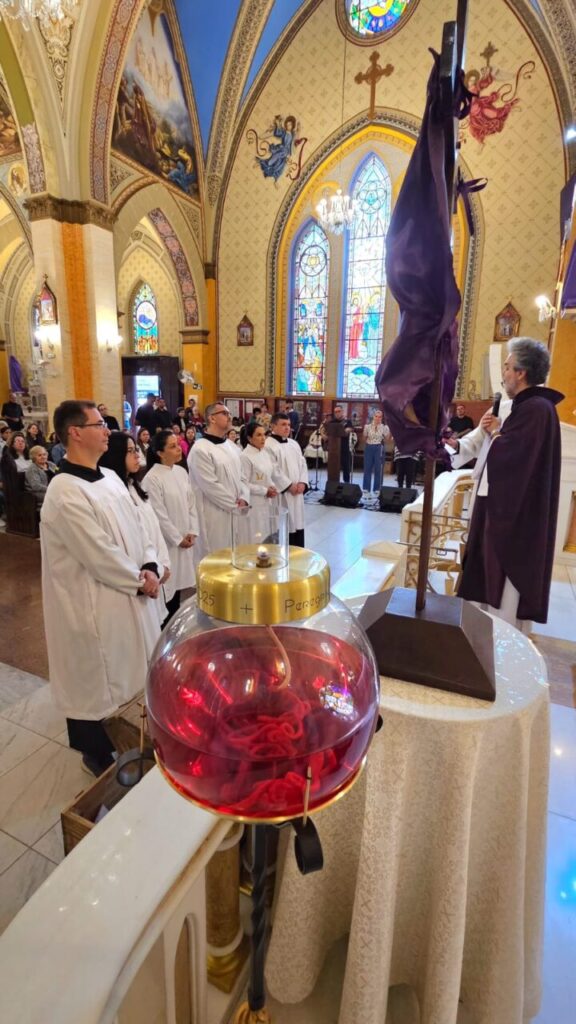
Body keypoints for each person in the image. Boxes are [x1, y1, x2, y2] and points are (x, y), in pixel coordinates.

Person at [40, 400, 161, 776]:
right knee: (96, 681)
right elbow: (97, 552)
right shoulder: (63, 492)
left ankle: (137, 736)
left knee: (133, 670)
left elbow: (139, 529)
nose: (107, 430)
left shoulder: (108, 478)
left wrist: (151, 564)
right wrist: (138, 581)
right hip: (92, 604)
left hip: (131, 592)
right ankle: (97, 753)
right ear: (74, 432)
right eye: (98, 424)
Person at [457, 337, 563, 628]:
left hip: (514, 516)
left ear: (521, 372)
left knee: (502, 584)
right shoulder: (527, 407)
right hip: (501, 504)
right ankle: (483, 631)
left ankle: (500, 636)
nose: (503, 373)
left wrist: (497, 435)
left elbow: (514, 457)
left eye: (507, 367)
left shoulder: (537, 409)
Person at [99, 432, 171, 628]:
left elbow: (153, 530)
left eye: (136, 450)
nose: (137, 455)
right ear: (115, 455)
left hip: (154, 565)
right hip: (142, 574)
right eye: (130, 451)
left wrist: (162, 563)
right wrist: (153, 568)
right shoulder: (115, 493)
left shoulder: (134, 486)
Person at [143, 429, 199, 622]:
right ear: (159, 452)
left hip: (185, 538)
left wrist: (192, 531)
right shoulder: (152, 478)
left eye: (178, 445)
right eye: (172, 446)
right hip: (168, 544)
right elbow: (159, 515)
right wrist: (177, 538)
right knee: (169, 589)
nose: (179, 450)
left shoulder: (181, 472)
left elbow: (191, 503)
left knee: (182, 587)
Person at [187, 402, 250, 559]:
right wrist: (234, 504)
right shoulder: (200, 449)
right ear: (212, 419)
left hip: (237, 509)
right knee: (217, 557)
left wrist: (244, 497)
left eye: (229, 413)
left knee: (236, 553)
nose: (230, 417)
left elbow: (243, 476)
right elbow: (210, 486)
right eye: (225, 413)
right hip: (214, 512)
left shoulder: (231, 446)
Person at [265, 412, 309, 547]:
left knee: (297, 525)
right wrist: (289, 486)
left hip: (297, 494)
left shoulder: (294, 444)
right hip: (282, 495)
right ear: (273, 426)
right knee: (283, 526)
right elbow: (272, 469)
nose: (287, 428)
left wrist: (302, 482)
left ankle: (298, 557)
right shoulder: (267, 445)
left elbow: (302, 463)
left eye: (289, 425)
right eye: (283, 424)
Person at [240, 422, 279, 541]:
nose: (263, 438)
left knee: (267, 534)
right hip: (254, 503)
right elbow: (244, 483)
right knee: (255, 536)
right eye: (258, 435)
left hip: (267, 501)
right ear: (249, 438)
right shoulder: (245, 456)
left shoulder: (264, 452)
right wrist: (264, 491)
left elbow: (268, 474)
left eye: (264, 434)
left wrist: (272, 486)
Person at [320, 405, 354, 482]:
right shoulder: (332, 422)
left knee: (346, 467)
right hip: (333, 449)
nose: (337, 413)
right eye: (335, 412)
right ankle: (332, 483)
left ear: (342, 412)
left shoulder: (347, 421)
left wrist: (345, 430)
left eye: (339, 411)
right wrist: (324, 436)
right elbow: (323, 430)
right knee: (333, 466)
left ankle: (346, 484)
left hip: (344, 447)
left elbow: (350, 429)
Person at [362, 409, 390, 497]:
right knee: (367, 468)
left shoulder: (384, 427)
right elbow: (364, 438)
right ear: (373, 417)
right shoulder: (367, 426)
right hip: (369, 446)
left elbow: (387, 440)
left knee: (379, 469)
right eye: (376, 416)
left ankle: (377, 488)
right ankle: (366, 488)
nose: (378, 418)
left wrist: (389, 434)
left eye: (380, 417)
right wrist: (364, 435)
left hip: (379, 447)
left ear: (382, 418)